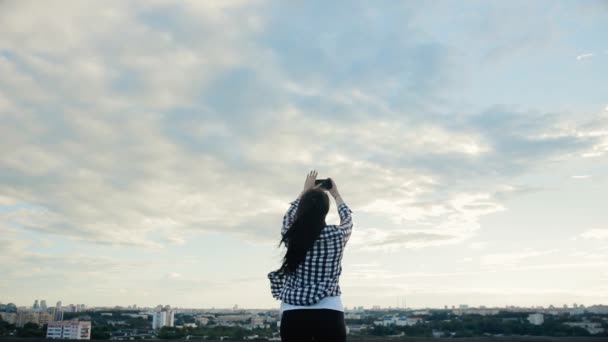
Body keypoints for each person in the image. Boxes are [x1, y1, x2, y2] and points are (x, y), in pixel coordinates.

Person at [268, 170, 353, 341]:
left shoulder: (291, 233)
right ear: (326, 210)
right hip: (330, 310)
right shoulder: (337, 235)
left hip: (293, 311)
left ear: (303, 208)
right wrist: (336, 194)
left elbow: (290, 215)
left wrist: (305, 191)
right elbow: (347, 220)